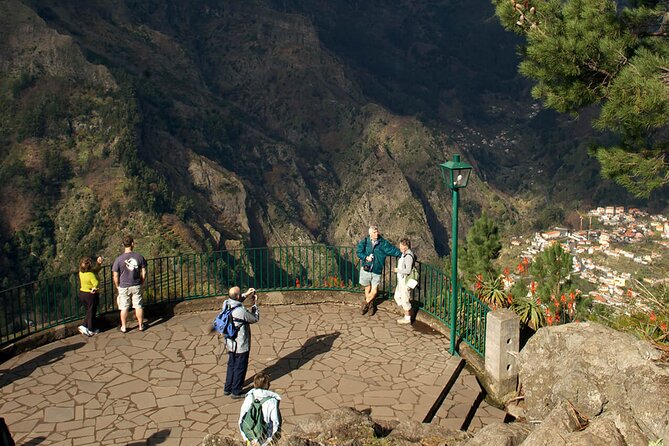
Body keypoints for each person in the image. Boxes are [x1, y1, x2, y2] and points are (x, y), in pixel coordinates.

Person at [356, 225, 401, 316]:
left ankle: (365, 303)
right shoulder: (365, 242)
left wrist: (404, 253)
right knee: (367, 288)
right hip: (366, 268)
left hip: (377, 270)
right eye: (374, 232)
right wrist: (366, 257)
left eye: (377, 232)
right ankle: (371, 305)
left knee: (375, 291)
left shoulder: (383, 243)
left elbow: (392, 250)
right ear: (370, 234)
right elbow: (359, 252)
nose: (377, 234)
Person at [224, 286, 260, 399]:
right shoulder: (240, 311)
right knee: (240, 366)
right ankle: (236, 391)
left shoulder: (226, 304)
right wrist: (255, 305)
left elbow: (236, 300)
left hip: (230, 342)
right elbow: (254, 318)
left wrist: (246, 294)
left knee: (231, 365)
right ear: (238, 296)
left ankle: (228, 387)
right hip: (241, 343)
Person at [112, 235, 147, 333]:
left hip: (124, 286)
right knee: (138, 305)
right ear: (132, 244)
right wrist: (142, 282)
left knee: (124, 307)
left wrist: (117, 286)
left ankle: (123, 327)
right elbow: (144, 272)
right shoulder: (139, 257)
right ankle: (141, 325)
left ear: (123, 245)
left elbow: (115, 276)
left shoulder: (118, 260)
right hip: (136, 284)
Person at [238, 372, 281, 445]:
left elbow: (242, 419)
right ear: (268, 385)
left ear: (254, 384)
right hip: (265, 438)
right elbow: (275, 422)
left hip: (250, 437)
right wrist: (270, 440)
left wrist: (246, 438)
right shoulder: (272, 401)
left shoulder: (249, 397)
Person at [78, 255, 104, 336]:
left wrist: (99, 264)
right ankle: (89, 328)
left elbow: (95, 270)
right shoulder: (90, 275)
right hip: (90, 295)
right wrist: (94, 288)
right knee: (91, 311)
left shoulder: (81, 272)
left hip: (82, 293)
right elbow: (96, 282)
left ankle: (87, 327)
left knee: (89, 311)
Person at [393, 238, 415, 325]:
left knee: (405, 299)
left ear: (405, 246)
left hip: (405, 281)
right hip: (401, 280)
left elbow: (408, 270)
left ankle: (407, 317)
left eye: (401, 245)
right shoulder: (404, 254)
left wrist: (398, 270)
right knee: (397, 296)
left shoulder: (408, 256)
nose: (400, 247)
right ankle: (408, 310)